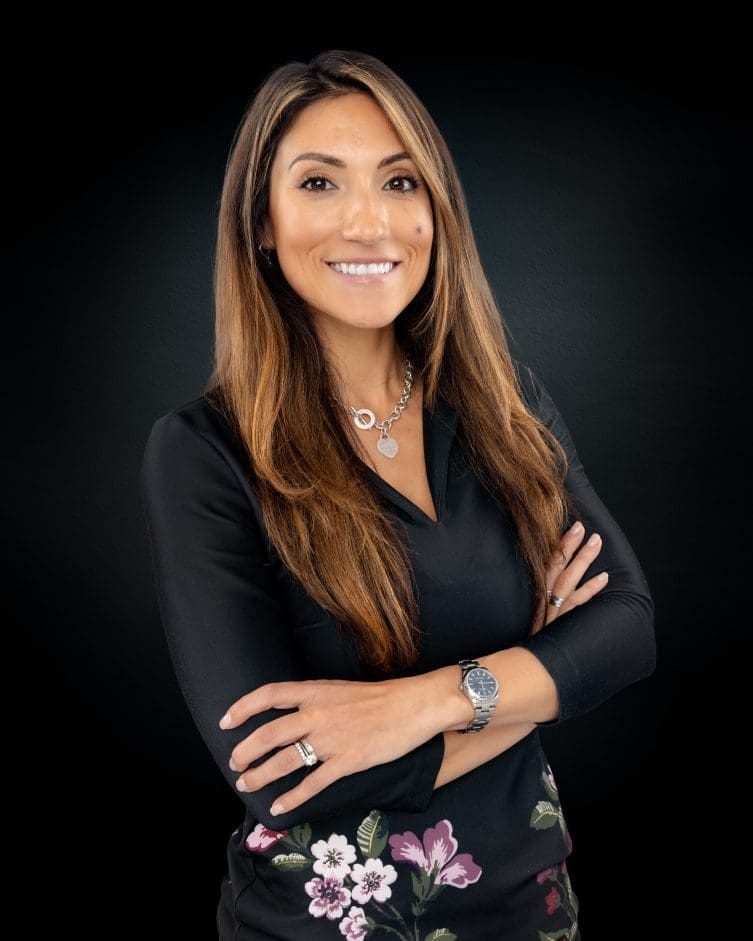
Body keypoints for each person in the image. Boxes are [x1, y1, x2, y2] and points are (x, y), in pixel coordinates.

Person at [140, 50, 656, 941]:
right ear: (261, 222)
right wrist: (536, 669)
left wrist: (421, 702)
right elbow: (282, 778)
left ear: (435, 210)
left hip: (533, 913)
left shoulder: (504, 404)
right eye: (318, 182)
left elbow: (628, 629)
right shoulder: (203, 453)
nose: (368, 220)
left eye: (399, 181)